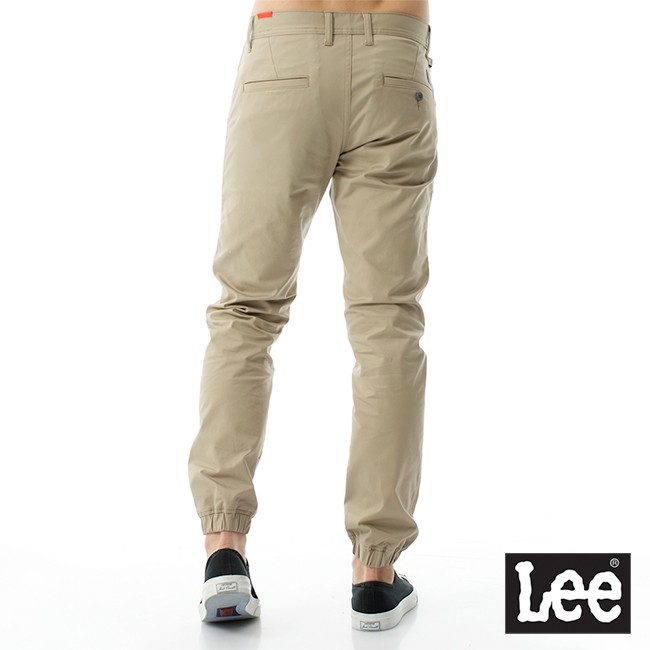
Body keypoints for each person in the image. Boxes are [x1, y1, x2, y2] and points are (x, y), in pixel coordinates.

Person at [187, 0, 437, 631]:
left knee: (246, 307)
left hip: (285, 50)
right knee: (388, 323)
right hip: (393, 55)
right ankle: (375, 575)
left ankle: (224, 551)